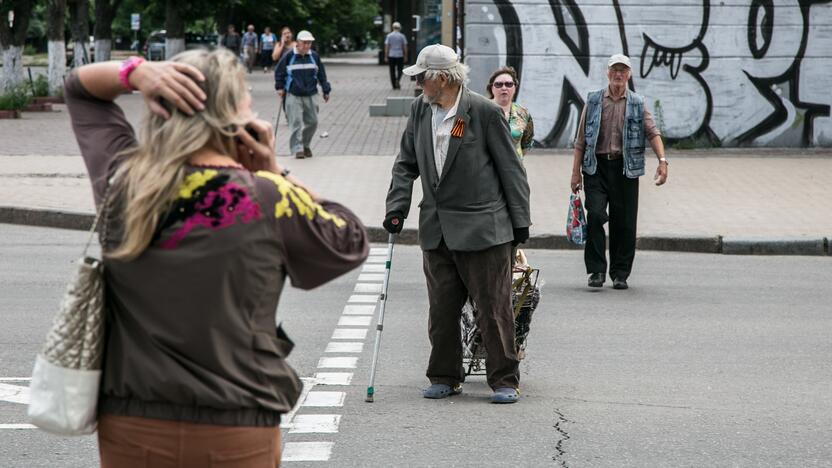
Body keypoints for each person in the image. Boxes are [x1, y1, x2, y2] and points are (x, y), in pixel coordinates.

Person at [64, 49, 368, 467]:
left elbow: (80, 90)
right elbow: (348, 238)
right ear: (236, 118)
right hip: (236, 425)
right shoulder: (267, 197)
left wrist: (135, 72)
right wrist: (275, 170)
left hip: (131, 423)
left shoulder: (126, 184)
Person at [383, 44, 531, 404]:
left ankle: (504, 379)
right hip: (437, 228)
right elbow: (406, 164)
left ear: (442, 78)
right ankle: (445, 376)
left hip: (483, 229)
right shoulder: (420, 110)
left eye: (421, 77)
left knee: (493, 310)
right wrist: (396, 206)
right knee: (442, 310)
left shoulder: (482, 111)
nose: (417, 83)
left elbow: (511, 170)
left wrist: (520, 224)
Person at [570, 53, 669, 290]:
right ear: (607, 72)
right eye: (615, 69)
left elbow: (652, 132)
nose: (618, 74)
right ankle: (596, 271)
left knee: (624, 223)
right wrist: (575, 173)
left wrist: (663, 161)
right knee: (594, 215)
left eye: (623, 70)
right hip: (596, 167)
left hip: (625, 170)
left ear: (629, 75)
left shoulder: (636, 102)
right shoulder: (594, 100)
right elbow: (581, 140)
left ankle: (620, 273)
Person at [274, 30, 331, 159]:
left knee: (313, 122)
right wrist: (279, 87)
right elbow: (279, 72)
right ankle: (297, 148)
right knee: (296, 123)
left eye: (309, 43)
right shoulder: (289, 56)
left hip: (311, 93)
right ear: (298, 43)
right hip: (293, 94)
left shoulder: (314, 56)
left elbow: (321, 74)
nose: (307, 46)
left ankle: (305, 145)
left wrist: (326, 90)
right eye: (304, 43)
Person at [486, 66, 534, 159]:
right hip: (488, 170)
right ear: (492, 88)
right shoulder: (481, 109)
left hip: (514, 169)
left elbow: (527, 142)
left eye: (509, 84)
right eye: (498, 84)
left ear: (515, 88)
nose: (504, 88)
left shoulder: (523, 113)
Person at [384, 21, 408, 89]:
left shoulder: (389, 36)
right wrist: (405, 56)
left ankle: (394, 85)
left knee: (392, 70)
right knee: (400, 69)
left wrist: (386, 56)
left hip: (391, 55)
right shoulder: (402, 36)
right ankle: (398, 79)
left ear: (393, 27)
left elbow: (387, 46)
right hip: (400, 55)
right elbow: (404, 46)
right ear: (399, 28)